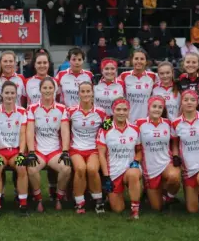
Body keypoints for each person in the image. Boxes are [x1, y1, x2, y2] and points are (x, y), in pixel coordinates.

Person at [26, 77, 72, 212]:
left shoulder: (62, 108)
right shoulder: (32, 108)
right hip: (38, 151)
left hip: (55, 151)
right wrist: (31, 152)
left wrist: (65, 151)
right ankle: (39, 200)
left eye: (50, 88)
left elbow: (65, 132)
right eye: (44, 88)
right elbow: (29, 131)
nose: (47, 90)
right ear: (40, 90)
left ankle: (58, 198)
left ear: (55, 90)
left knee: (66, 168)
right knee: (32, 169)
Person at [97, 98, 143, 219]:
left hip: (129, 168)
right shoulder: (105, 129)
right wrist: (106, 177)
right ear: (113, 111)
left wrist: (136, 161)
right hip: (114, 171)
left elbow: (139, 150)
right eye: (118, 109)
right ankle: (112, 195)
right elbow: (101, 154)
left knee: (133, 174)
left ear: (129, 111)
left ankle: (135, 210)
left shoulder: (135, 128)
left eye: (125, 109)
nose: (121, 112)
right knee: (118, 209)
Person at [170, 90, 199, 213]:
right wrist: (175, 156)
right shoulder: (175, 123)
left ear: (197, 102)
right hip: (188, 168)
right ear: (181, 102)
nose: (189, 102)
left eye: (192, 100)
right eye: (186, 100)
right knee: (192, 210)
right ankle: (198, 198)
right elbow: (174, 143)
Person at [0, 81, 29, 216]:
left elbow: (23, 135)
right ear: (1, 94)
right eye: (7, 93)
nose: (9, 96)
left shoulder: (22, 112)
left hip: (16, 151)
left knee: (22, 166)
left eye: (12, 93)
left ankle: (23, 205)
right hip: (0, 151)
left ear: (16, 95)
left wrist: (22, 153)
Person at [135, 96, 180, 211]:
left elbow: (174, 142)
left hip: (166, 163)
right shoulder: (139, 123)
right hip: (150, 168)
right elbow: (124, 127)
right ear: (149, 107)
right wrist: (107, 124)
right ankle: (154, 192)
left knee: (174, 178)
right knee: (157, 208)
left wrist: (175, 156)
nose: (157, 109)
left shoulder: (168, 123)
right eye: (154, 106)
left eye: (160, 107)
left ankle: (169, 197)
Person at [67, 82, 106, 214]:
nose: (85, 94)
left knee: (92, 169)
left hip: (93, 149)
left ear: (93, 93)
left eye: (88, 91)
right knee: (80, 169)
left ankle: (98, 201)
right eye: (82, 91)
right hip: (76, 148)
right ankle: (79, 202)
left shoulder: (101, 112)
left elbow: (107, 130)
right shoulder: (71, 111)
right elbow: (64, 129)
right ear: (78, 93)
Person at [120, 49, 158, 123]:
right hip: (128, 121)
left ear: (146, 61)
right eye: (136, 58)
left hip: (146, 121)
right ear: (131, 60)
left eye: (142, 59)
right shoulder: (124, 76)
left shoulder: (153, 76)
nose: (139, 61)